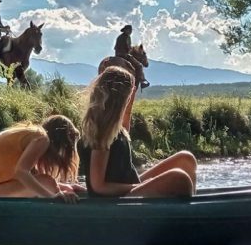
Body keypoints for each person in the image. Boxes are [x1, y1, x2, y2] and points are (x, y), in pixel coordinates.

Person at [79, 66, 196, 198]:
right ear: (120, 100)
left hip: (130, 188)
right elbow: (98, 186)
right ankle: (192, 212)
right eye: (128, 96)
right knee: (179, 178)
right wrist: (140, 186)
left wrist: (131, 95)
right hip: (115, 201)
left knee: (186, 159)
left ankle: (193, 203)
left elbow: (125, 122)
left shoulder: (115, 129)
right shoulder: (102, 133)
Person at [0, 115, 83, 201]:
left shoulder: (30, 135)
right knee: (47, 183)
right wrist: (52, 197)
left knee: (47, 183)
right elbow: (21, 172)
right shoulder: (42, 138)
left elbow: (23, 179)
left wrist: (68, 187)